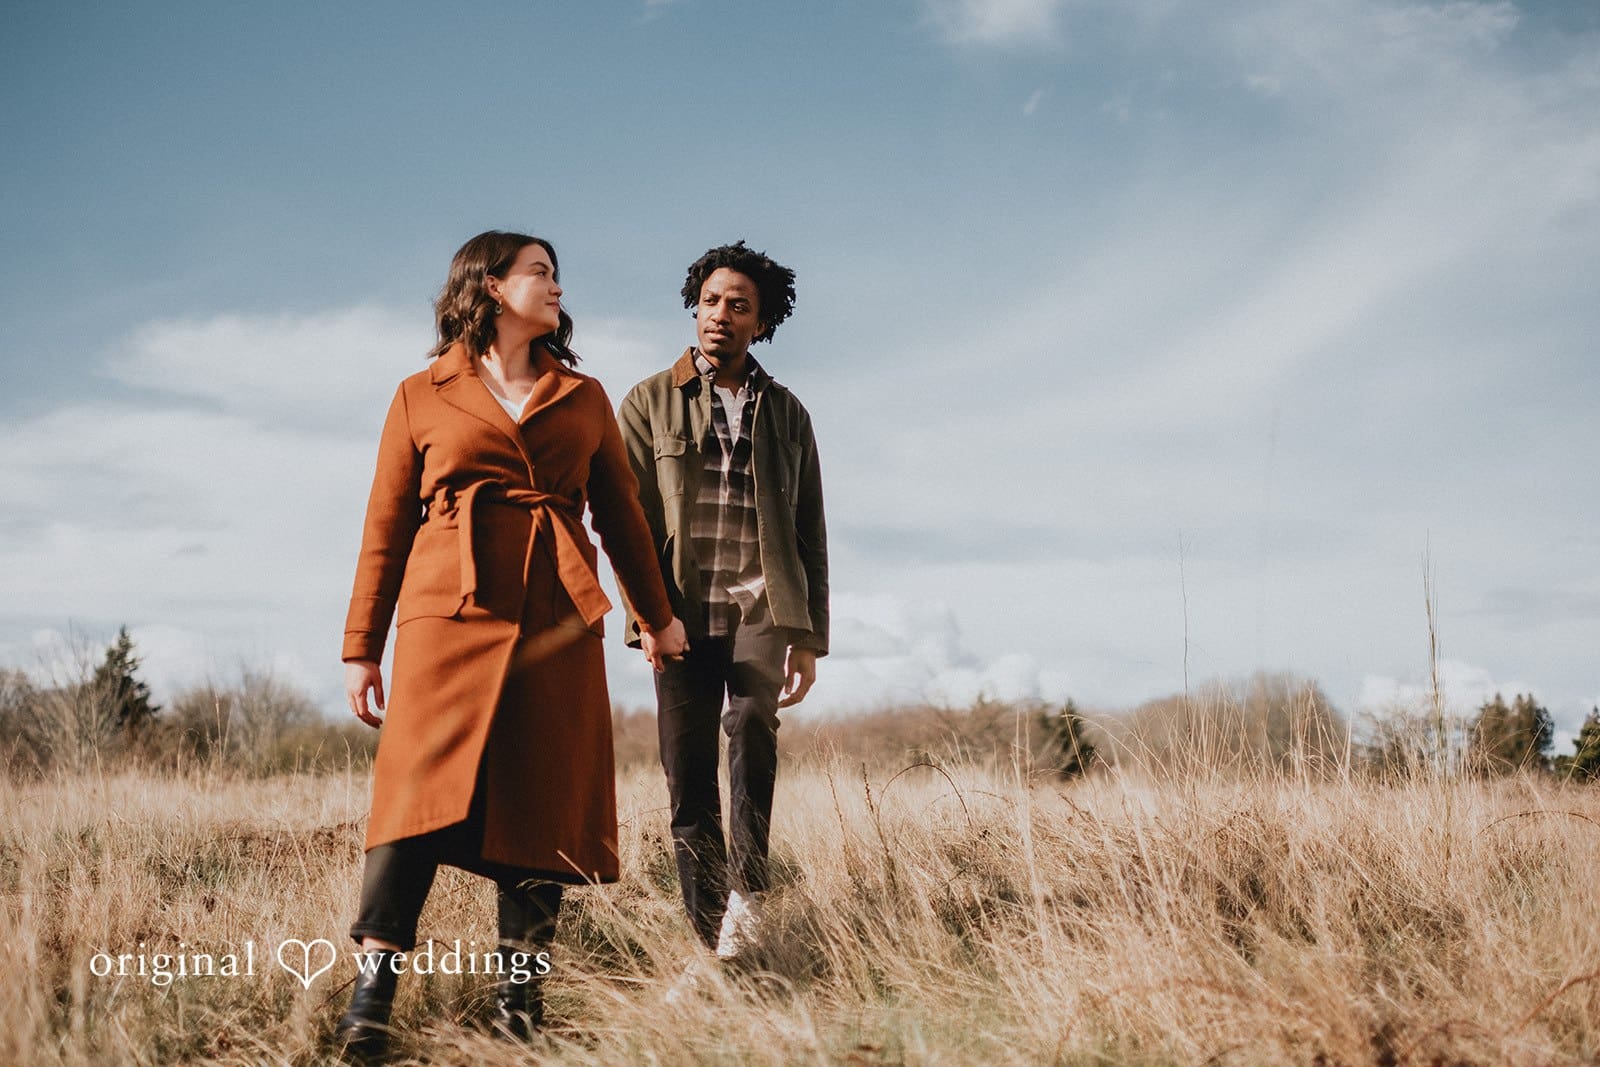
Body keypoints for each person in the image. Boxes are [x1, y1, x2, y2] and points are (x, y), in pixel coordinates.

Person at [337, 230, 688, 1059]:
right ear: (491, 285)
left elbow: (624, 518)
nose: (556, 284)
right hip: (444, 610)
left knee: (540, 802)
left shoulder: (585, 395)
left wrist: (657, 616)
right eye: (540, 271)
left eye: (557, 274)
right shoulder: (421, 392)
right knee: (412, 798)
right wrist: (362, 646)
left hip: (555, 618)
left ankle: (519, 1012)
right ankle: (370, 1004)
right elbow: (384, 527)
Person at [618, 241, 829, 963]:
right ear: (694, 307)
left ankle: (747, 898)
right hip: (677, 610)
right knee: (688, 777)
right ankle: (711, 942)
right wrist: (649, 616)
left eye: (739, 305)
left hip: (760, 610)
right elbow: (629, 521)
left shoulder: (790, 414)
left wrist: (810, 635)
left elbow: (809, 529)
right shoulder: (646, 401)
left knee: (754, 742)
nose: (721, 315)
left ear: (761, 320)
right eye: (711, 301)